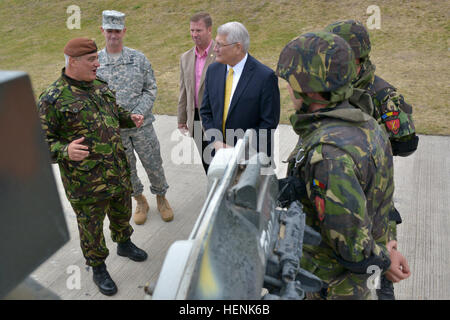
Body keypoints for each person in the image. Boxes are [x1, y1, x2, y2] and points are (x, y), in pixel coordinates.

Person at [276, 31, 411, 299]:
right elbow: (380, 199)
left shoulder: (328, 154)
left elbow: (354, 248)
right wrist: (389, 246)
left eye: (290, 80)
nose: (288, 87)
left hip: (330, 285)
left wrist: (385, 259)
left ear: (310, 87)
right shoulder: (365, 123)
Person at [37, 37, 148, 296]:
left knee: (122, 212)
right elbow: (39, 144)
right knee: (91, 226)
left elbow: (113, 114)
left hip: (117, 171)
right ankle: (98, 266)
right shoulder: (52, 98)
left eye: (96, 59)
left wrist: (129, 118)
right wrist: (65, 150)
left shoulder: (100, 86)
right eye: (91, 60)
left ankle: (124, 243)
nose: (98, 64)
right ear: (73, 62)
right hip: (85, 183)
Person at [324, 19, 419, 299]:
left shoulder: (382, 95)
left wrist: (374, 149)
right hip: (339, 194)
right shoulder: (331, 88)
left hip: (375, 199)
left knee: (379, 275)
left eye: (341, 58)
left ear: (359, 58)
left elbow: (407, 142)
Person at [97, 10, 173, 225]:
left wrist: (139, 111)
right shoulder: (96, 63)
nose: (114, 35)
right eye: (109, 30)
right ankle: (139, 200)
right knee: (125, 168)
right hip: (115, 130)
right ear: (102, 30)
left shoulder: (138, 59)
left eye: (117, 31)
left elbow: (150, 88)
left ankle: (161, 198)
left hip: (142, 126)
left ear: (124, 31)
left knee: (153, 163)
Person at [200, 21, 280, 163]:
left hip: (251, 160)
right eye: (215, 44)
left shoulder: (265, 77)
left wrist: (238, 150)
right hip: (218, 155)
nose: (214, 49)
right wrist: (216, 142)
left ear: (238, 47)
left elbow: (268, 124)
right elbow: (206, 111)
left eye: (219, 44)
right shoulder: (213, 71)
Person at [177, 12, 216, 174]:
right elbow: (184, 90)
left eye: (198, 30)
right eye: (192, 30)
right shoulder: (185, 58)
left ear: (209, 30)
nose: (194, 34)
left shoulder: (221, 54)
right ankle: (216, 194)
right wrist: (182, 118)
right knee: (207, 161)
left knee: (220, 159)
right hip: (196, 117)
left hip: (216, 117)